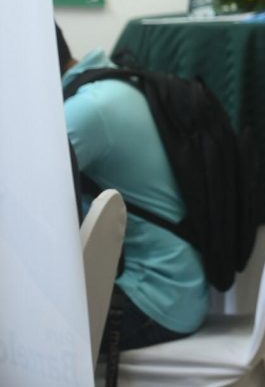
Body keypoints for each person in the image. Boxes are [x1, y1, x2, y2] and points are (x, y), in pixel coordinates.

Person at [58, 25, 209, 350]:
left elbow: (23, 196)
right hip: (182, 289)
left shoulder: (85, 112)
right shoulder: (110, 81)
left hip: (150, 299)